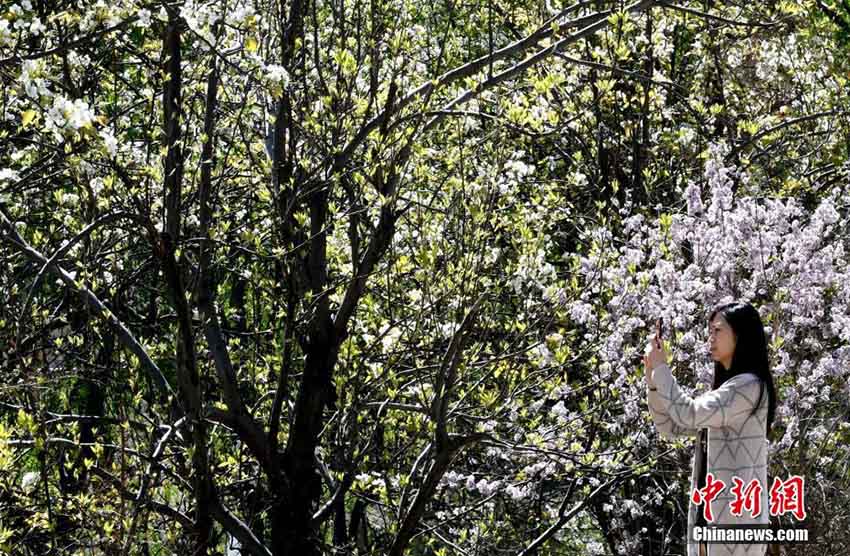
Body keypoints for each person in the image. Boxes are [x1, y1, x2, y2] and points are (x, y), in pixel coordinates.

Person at [644, 301, 777, 556]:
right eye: (709, 332)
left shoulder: (748, 387)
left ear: (741, 335)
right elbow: (671, 426)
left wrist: (662, 369)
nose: (710, 339)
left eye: (718, 331)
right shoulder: (731, 390)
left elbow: (689, 413)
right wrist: (652, 379)